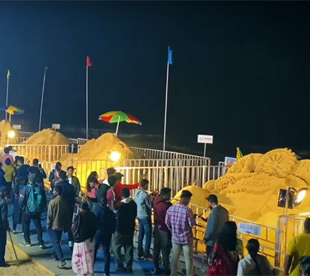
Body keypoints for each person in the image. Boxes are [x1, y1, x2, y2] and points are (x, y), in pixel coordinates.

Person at [19, 172, 46, 248]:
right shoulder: (39, 188)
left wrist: (22, 207)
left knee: (26, 225)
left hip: (27, 211)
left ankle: (28, 241)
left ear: (29, 180)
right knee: (38, 226)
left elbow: (21, 200)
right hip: (37, 210)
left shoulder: (25, 189)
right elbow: (43, 199)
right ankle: (40, 242)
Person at [47, 185, 72, 269]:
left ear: (57, 192)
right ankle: (56, 255)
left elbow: (50, 215)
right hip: (61, 225)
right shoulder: (65, 202)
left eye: (54, 191)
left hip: (53, 226)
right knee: (58, 240)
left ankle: (62, 260)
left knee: (55, 243)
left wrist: (48, 225)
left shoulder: (53, 202)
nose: (53, 192)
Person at [113, 188, 137, 273]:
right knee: (129, 248)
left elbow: (118, 219)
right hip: (130, 229)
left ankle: (120, 264)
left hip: (120, 230)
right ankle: (129, 266)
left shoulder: (121, 206)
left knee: (116, 246)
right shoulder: (133, 204)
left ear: (121, 195)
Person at [72, 202, 98, 276]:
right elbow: (96, 226)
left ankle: (82, 272)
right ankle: (90, 272)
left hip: (81, 240)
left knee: (80, 258)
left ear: (81, 208)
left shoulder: (79, 216)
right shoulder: (92, 215)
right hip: (90, 240)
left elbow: (75, 228)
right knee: (89, 258)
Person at [153, 187, 172, 275]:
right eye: (169, 194)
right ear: (165, 195)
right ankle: (166, 268)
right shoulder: (167, 206)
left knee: (156, 249)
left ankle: (156, 266)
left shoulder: (156, 201)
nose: (170, 196)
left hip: (157, 228)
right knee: (165, 250)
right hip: (165, 229)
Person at [95, 200, 116, 276]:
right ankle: (106, 271)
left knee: (94, 250)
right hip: (107, 233)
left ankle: (91, 267)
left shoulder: (98, 211)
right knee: (106, 252)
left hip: (99, 232)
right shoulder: (111, 212)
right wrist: (112, 231)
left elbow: (96, 222)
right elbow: (114, 223)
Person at [58, 170, 76, 250]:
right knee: (69, 227)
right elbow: (74, 197)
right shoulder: (70, 186)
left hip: (60, 208)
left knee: (59, 226)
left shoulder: (58, 186)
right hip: (70, 208)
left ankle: (58, 246)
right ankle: (71, 244)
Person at [135, 179, 152, 260]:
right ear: (145, 185)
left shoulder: (137, 193)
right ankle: (147, 253)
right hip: (145, 216)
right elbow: (149, 205)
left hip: (139, 215)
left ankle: (139, 252)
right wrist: (151, 198)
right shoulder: (145, 195)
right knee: (148, 235)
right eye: (147, 185)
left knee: (140, 234)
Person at [0, 186, 10, 267]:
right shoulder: (3, 202)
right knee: (2, 243)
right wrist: (7, 226)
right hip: (1, 227)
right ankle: (1, 261)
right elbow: (4, 217)